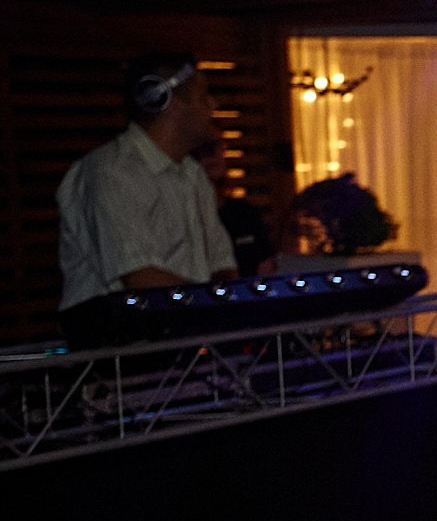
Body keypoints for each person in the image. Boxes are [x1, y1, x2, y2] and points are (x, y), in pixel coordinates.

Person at [56, 52, 234, 343]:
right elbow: (140, 279)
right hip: (120, 353)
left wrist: (231, 305)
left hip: (186, 340)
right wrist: (218, 310)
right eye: (204, 97)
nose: (213, 106)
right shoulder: (110, 172)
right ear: (172, 104)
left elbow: (222, 264)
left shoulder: (193, 174)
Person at [195, 138, 275, 278]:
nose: (213, 154)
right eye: (204, 148)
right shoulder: (183, 216)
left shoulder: (244, 212)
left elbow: (266, 266)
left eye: (219, 147)